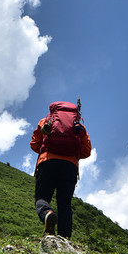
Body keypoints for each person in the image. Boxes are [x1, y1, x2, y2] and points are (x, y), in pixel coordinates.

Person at [30, 100, 92, 238]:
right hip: (70, 167)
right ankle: (64, 238)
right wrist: (72, 154)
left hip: (47, 163)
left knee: (42, 197)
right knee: (64, 203)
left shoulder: (46, 121)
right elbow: (87, 151)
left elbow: (34, 144)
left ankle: (47, 213)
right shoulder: (79, 127)